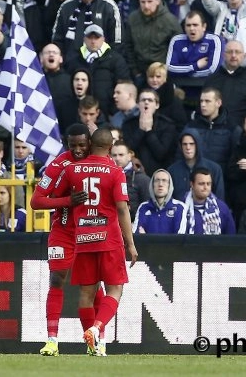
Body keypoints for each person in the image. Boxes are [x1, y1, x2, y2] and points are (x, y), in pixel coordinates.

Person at [52, 127, 137, 356]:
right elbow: (122, 209)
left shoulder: (72, 170)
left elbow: (53, 198)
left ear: (90, 145)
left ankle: (92, 348)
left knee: (86, 294)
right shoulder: (116, 171)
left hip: (83, 238)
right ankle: (96, 328)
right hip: (109, 239)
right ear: (110, 147)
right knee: (115, 289)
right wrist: (130, 243)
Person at [30, 123, 102, 357]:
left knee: (93, 286)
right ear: (67, 144)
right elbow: (36, 201)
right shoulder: (59, 164)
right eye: (73, 146)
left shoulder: (99, 161)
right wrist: (67, 202)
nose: (78, 150)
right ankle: (52, 341)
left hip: (91, 231)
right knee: (56, 279)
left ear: (90, 142)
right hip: (63, 231)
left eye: (83, 144)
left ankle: (94, 341)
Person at [65, 23, 130, 116]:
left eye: (97, 38)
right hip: (80, 114)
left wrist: (113, 112)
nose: (93, 41)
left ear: (103, 39)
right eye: (90, 37)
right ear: (84, 39)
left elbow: (124, 86)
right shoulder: (75, 60)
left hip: (108, 114)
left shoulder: (116, 59)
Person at [203, 40, 246, 129]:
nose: (233, 55)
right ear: (224, 55)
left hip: (244, 135)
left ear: (244, 55)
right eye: (230, 52)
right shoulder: (212, 79)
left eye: (237, 52)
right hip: (214, 131)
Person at [122, 0, 179, 79]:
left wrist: (166, 70)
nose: (146, 6)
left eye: (149, 2)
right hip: (139, 71)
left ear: (158, 1)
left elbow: (177, 49)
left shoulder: (170, 21)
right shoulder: (132, 19)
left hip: (162, 71)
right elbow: (128, 46)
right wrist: (135, 71)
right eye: (143, 2)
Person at [182, 87, 242, 170]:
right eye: (201, 101)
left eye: (207, 101)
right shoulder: (191, 126)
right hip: (196, 177)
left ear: (218, 103)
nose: (203, 105)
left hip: (222, 178)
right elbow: (180, 154)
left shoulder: (232, 128)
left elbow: (236, 158)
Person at [123, 88, 177, 174]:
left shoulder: (167, 125)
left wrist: (148, 131)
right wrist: (140, 130)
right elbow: (127, 150)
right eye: (143, 100)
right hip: (134, 173)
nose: (146, 102)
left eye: (150, 100)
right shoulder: (128, 124)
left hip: (159, 173)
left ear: (157, 105)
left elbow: (161, 154)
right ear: (138, 104)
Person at [167, 131, 226, 202]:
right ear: (181, 146)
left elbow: (219, 199)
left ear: (198, 145)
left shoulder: (214, 169)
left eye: (192, 144)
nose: (188, 147)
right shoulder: (172, 170)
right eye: (184, 144)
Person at [175, 167, 236, 235]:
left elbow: (230, 237)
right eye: (201, 184)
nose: (205, 187)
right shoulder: (179, 208)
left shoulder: (221, 208)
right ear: (192, 184)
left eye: (208, 184)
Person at [165, 10, 223, 78]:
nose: (192, 28)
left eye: (195, 25)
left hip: (206, 85)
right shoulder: (177, 40)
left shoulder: (214, 40)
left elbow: (212, 70)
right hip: (180, 85)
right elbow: (169, 68)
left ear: (204, 27)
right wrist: (195, 66)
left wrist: (186, 74)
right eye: (188, 25)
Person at [134, 169, 186, 234]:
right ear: (152, 185)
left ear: (169, 185)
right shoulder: (143, 207)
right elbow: (137, 235)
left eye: (164, 180)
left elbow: (179, 238)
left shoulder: (180, 207)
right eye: (157, 180)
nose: (160, 184)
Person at [110, 140, 150, 219]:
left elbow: (147, 208)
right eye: (114, 155)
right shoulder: (105, 176)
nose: (117, 158)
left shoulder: (142, 179)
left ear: (129, 156)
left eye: (121, 155)